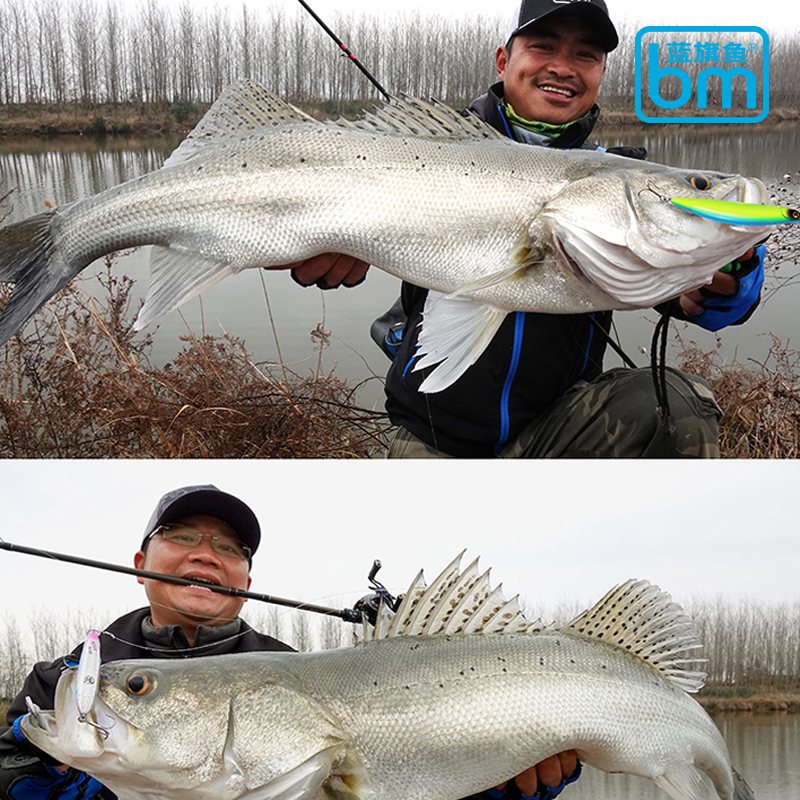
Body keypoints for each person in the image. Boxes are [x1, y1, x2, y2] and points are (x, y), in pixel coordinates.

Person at [286, 0, 766, 459]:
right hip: (432, 431)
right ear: (503, 60)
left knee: (678, 408)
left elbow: (672, 283)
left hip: (560, 431)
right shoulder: (419, 149)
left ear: (600, 74)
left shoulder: (623, 179)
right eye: (544, 46)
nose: (564, 66)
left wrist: (724, 282)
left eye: (586, 54)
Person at [0, 485, 580, 800]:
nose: (206, 553)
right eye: (180, 536)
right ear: (140, 564)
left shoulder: (298, 668)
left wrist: (509, 785)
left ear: (246, 583)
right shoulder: (66, 680)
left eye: (229, 549)